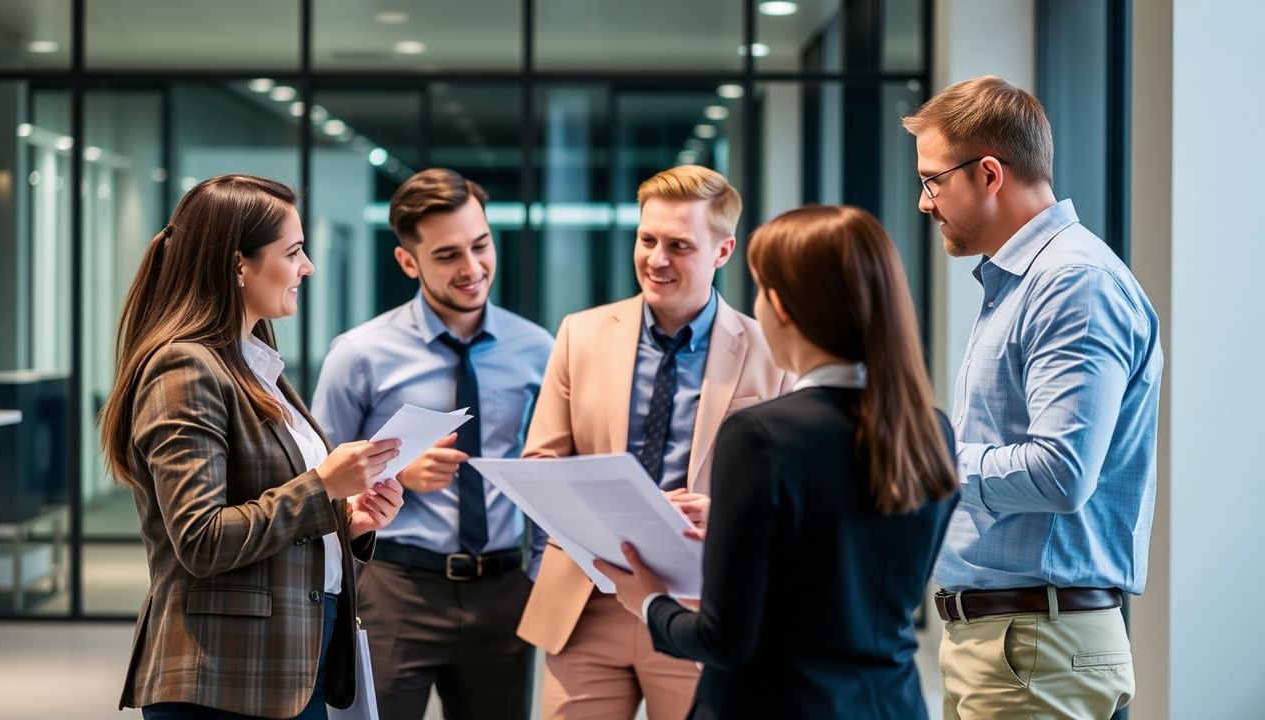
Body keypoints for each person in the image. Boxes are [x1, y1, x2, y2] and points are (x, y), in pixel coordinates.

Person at [595, 204, 960, 719]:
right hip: (891, 705)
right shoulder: (931, 430)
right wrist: (738, 530)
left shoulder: (759, 436)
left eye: (761, 289)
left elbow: (724, 641)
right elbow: (848, 570)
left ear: (783, 306)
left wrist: (650, 602)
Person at [902, 75, 1163, 718]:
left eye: (932, 181)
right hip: (1011, 644)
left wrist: (928, 459)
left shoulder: (1072, 283)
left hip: (1033, 647)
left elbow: (1060, 472)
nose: (924, 203)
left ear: (989, 174)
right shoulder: (1021, 283)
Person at [100, 174, 406, 720]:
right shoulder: (185, 366)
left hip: (288, 662)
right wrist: (323, 488)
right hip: (220, 677)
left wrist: (346, 519)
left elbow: (277, 513)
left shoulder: (253, 364)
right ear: (239, 265)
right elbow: (200, 539)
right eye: (293, 252)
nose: (307, 267)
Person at [517, 165, 790, 719]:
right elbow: (542, 462)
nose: (656, 259)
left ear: (722, 251)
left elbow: (790, 489)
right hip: (587, 603)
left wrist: (725, 512)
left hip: (703, 606)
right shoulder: (580, 333)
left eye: (679, 246)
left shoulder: (772, 352)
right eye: (647, 240)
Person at [312, 168, 553, 720]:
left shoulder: (537, 349)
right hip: (397, 589)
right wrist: (397, 473)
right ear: (408, 261)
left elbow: (549, 467)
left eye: (481, 245)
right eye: (447, 255)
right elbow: (317, 479)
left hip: (504, 589)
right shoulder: (359, 354)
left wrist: (541, 575)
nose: (472, 268)